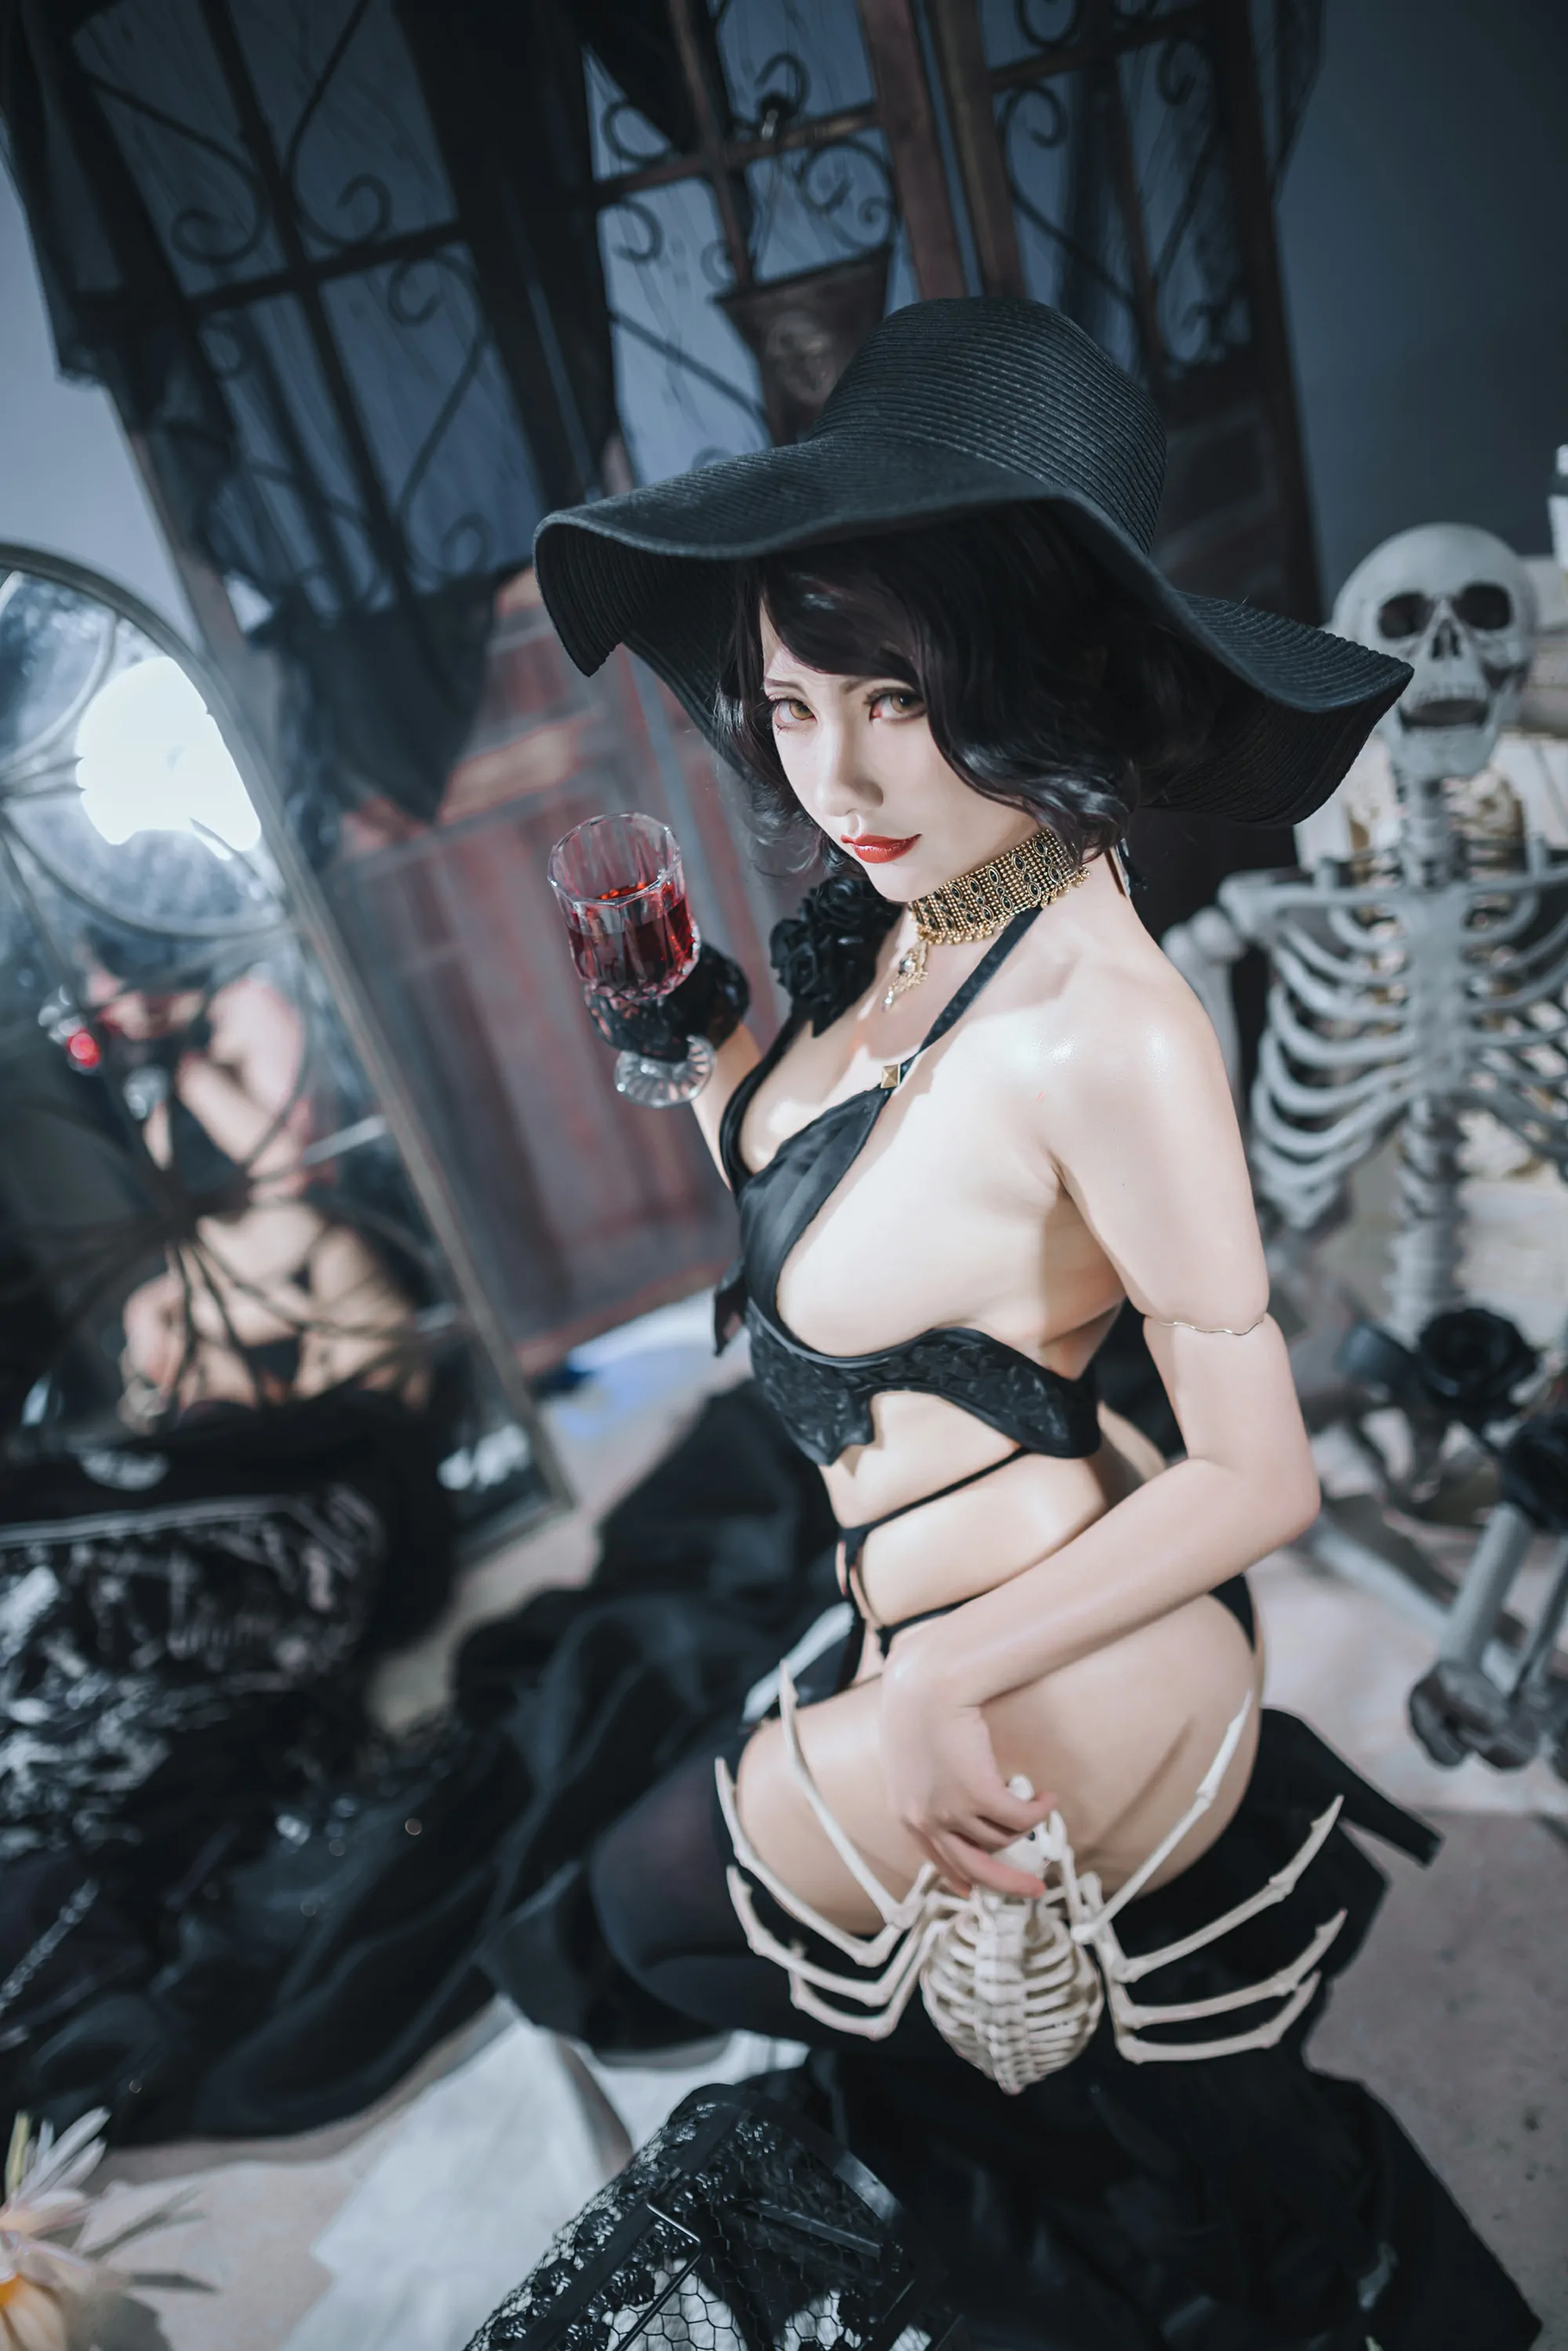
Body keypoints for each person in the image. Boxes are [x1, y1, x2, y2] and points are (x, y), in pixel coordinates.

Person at [524, 300, 1538, 2346]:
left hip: (1065, 1667)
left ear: (1034, 675)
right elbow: (864, 1198)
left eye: (898, 699)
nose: (838, 774)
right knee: (632, 1917)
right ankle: (1056, 2136)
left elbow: (1266, 1475)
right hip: (955, 1617)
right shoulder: (928, 923)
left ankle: (1090, 2178)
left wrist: (937, 1677)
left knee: (623, 1918)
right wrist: (712, 1043)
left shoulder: (1105, 1024)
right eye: (790, 703)